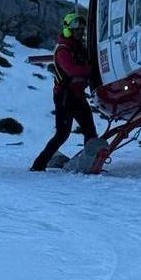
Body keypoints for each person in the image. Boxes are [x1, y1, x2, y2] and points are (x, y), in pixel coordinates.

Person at [30, 13, 99, 171]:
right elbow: (72, 71)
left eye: (81, 30)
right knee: (62, 134)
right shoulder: (63, 50)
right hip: (65, 97)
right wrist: (91, 70)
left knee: (90, 131)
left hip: (77, 96)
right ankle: (38, 165)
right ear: (68, 31)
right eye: (76, 30)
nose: (80, 33)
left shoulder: (77, 48)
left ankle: (89, 163)